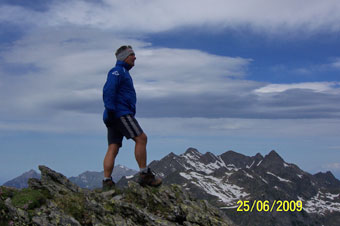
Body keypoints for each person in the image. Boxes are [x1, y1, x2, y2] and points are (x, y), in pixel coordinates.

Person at [102, 45, 162, 190]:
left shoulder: (122, 72)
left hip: (113, 114)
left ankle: (107, 181)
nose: (135, 57)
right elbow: (108, 89)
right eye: (132, 55)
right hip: (120, 113)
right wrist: (111, 109)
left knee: (113, 146)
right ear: (124, 57)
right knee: (141, 138)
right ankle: (144, 175)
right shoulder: (117, 71)